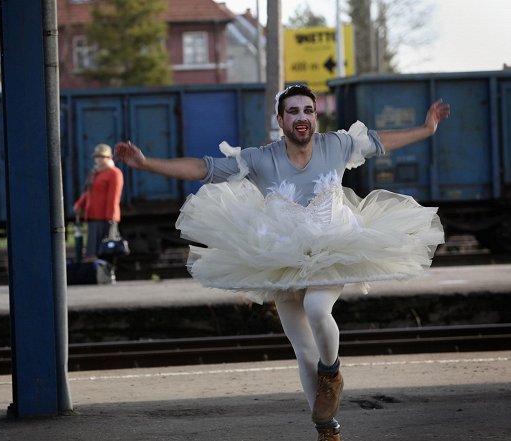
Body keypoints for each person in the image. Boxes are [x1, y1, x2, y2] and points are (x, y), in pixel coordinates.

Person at [115, 84, 450, 441]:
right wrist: (145, 162)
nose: (302, 117)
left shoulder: (336, 145)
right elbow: (203, 168)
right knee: (303, 349)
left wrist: (426, 129)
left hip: (332, 247)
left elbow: (382, 141)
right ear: (280, 119)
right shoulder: (260, 159)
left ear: (315, 116)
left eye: (308, 110)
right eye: (293, 111)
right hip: (280, 257)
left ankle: (332, 373)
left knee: (318, 309)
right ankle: (327, 430)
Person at [74, 143, 124, 261]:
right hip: (93, 217)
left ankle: (106, 274)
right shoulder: (96, 173)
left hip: (105, 218)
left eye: (102, 157)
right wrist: (79, 204)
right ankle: (96, 273)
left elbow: (114, 197)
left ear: (109, 158)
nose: (98, 159)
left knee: (105, 250)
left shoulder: (114, 173)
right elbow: (89, 192)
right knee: (93, 250)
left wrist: (110, 219)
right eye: (96, 157)